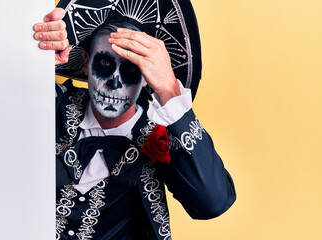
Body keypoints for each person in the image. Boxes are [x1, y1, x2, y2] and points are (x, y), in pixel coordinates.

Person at [34, 5, 236, 240]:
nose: (115, 83)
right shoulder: (51, 102)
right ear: (86, 62)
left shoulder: (163, 136)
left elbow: (212, 202)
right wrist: (33, 62)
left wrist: (170, 90)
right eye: (104, 63)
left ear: (147, 76)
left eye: (132, 68)